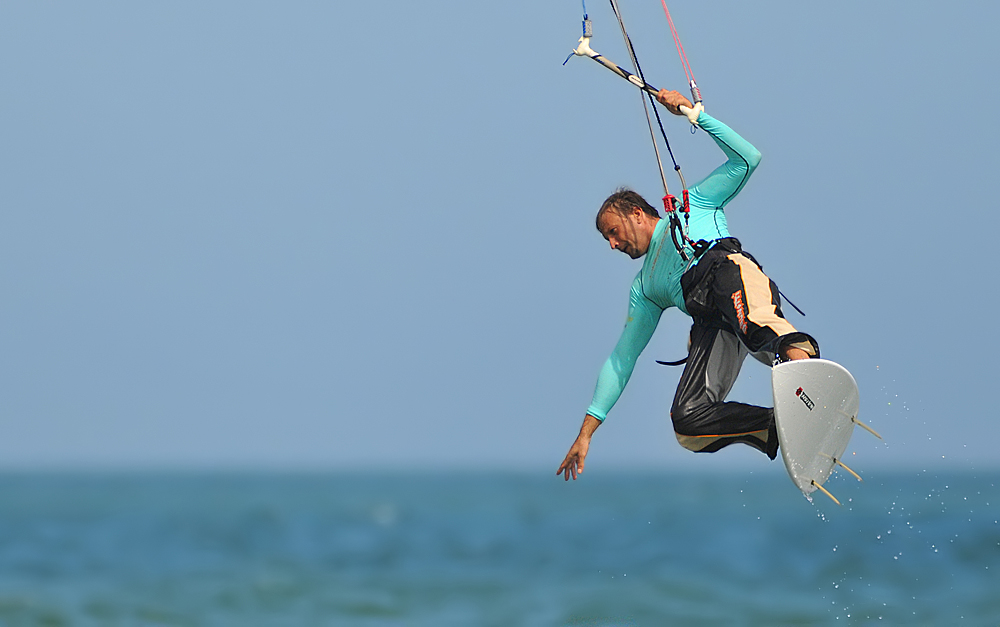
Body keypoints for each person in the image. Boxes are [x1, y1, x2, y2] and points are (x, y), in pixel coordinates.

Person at [556, 89, 820, 481]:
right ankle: (777, 427)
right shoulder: (645, 288)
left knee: (754, 326)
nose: (612, 245)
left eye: (613, 232)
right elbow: (621, 360)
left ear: (636, 212)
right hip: (713, 324)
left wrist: (693, 115)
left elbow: (748, 158)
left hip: (731, 278)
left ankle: (808, 377)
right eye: (606, 241)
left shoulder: (692, 204)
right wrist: (585, 433)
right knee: (688, 422)